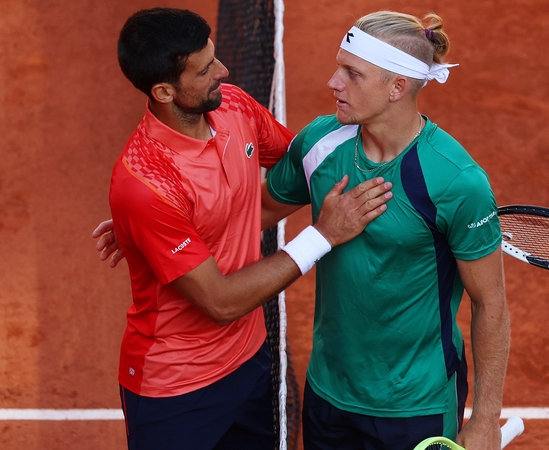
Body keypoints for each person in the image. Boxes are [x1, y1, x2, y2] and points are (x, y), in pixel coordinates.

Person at [99, 7, 393, 450]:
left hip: (251, 363)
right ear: (163, 90)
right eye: (204, 70)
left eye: (213, 57)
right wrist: (323, 236)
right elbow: (219, 302)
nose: (223, 71)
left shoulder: (233, 105)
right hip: (176, 391)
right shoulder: (146, 186)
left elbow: (308, 167)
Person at [260, 10, 511, 450]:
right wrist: (157, 224)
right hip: (328, 393)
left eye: (352, 73)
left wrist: (486, 419)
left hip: (417, 405)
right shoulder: (321, 142)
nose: (333, 82)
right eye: (339, 67)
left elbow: (490, 303)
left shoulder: (456, 182)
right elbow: (254, 213)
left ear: (397, 88)